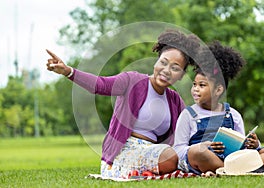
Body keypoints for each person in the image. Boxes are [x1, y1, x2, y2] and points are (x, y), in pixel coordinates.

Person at [46, 29, 201, 178]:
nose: (166, 70)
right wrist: (68, 71)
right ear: (156, 62)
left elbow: (190, 131)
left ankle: (151, 172)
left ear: (181, 75)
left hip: (155, 151)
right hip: (124, 152)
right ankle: (145, 172)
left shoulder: (174, 100)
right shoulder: (132, 81)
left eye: (175, 68)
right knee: (170, 157)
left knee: (180, 155)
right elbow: (100, 85)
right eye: (163, 62)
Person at [173, 41, 264, 176]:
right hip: (206, 159)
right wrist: (203, 146)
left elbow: (242, 148)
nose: (195, 89)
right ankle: (237, 170)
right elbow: (178, 150)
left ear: (218, 90)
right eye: (194, 84)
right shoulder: (188, 114)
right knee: (197, 153)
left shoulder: (232, 114)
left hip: (233, 159)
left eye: (202, 85)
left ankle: (228, 170)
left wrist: (254, 144)